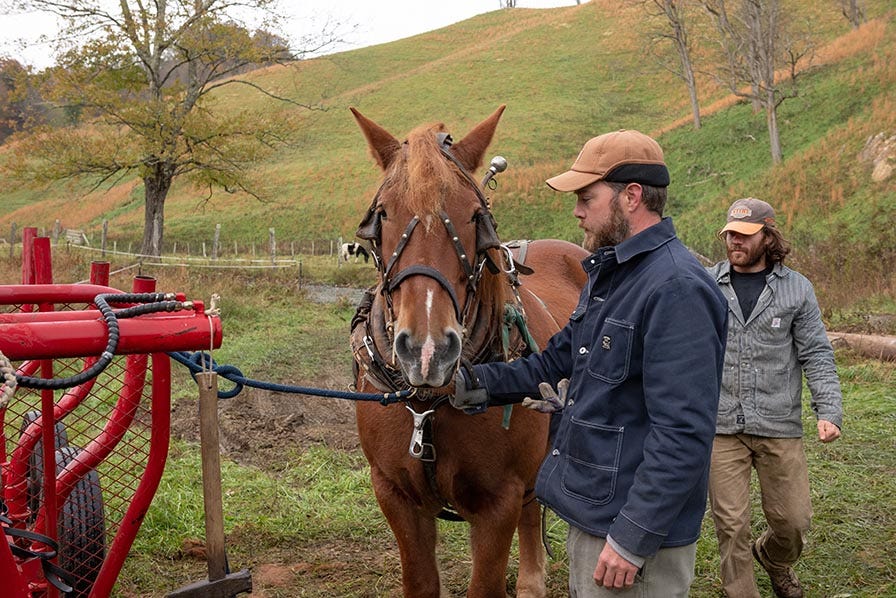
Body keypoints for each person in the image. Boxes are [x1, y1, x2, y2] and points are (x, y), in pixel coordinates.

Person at [450, 129, 729, 596]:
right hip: (595, 512)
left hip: (632, 535)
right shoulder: (616, 276)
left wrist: (631, 539)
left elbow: (684, 433)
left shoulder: (676, 288)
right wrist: (467, 383)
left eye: (586, 197)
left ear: (632, 197)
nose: (577, 211)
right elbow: (552, 362)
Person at [707, 198, 843, 598]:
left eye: (745, 235)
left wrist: (829, 410)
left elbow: (816, 353)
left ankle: (774, 558)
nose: (735, 241)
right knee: (730, 526)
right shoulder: (706, 285)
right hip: (721, 424)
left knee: (793, 522)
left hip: (778, 421)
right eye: (730, 233)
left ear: (768, 236)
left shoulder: (797, 290)